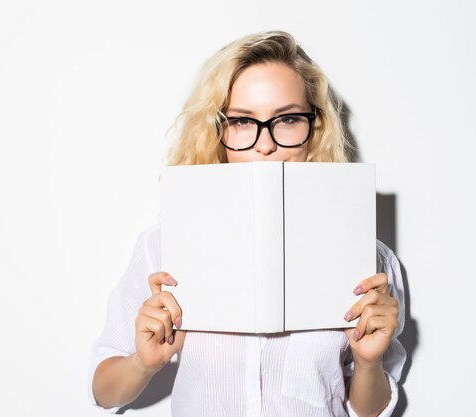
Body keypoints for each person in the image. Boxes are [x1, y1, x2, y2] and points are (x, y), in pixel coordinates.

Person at [88, 30, 406, 417]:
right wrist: (144, 362)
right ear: (218, 132)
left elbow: (369, 411)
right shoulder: (164, 247)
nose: (265, 144)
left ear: (315, 128)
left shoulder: (367, 259)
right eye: (241, 121)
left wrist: (369, 362)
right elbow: (105, 392)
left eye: (287, 119)